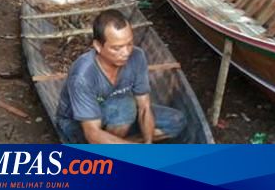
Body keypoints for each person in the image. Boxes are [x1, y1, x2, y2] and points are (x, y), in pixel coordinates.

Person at [56, 10, 186, 143]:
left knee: (176, 121)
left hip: (117, 116)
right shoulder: (83, 76)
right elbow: (92, 133)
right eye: (117, 48)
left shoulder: (137, 56)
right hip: (79, 125)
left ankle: (119, 145)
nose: (126, 53)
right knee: (124, 106)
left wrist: (148, 143)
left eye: (129, 44)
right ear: (98, 46)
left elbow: (144, 107)